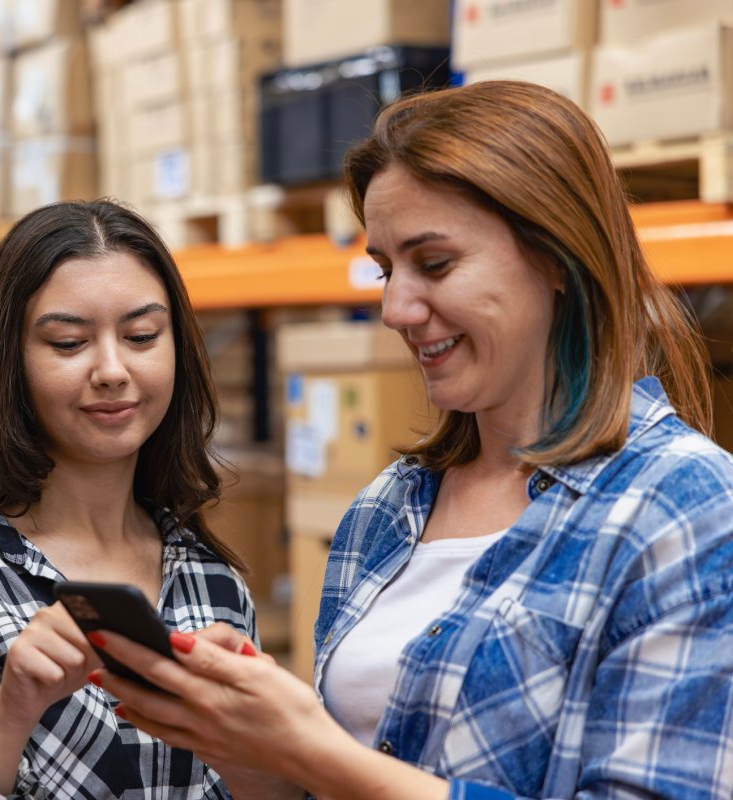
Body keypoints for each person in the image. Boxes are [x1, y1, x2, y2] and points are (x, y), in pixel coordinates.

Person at [88, 80, 733, 800]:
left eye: (435, 264)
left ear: (558, 257)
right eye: (386, 269)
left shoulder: (685, 509)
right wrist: (252, 742)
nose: (395, 308)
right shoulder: (387, 511)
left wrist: (315, 748)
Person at [0, 199, 257, 799]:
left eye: (142, 336)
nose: (112, 369)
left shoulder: (213, 585)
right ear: (11, 363)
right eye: (68, 343)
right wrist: (11, 711)